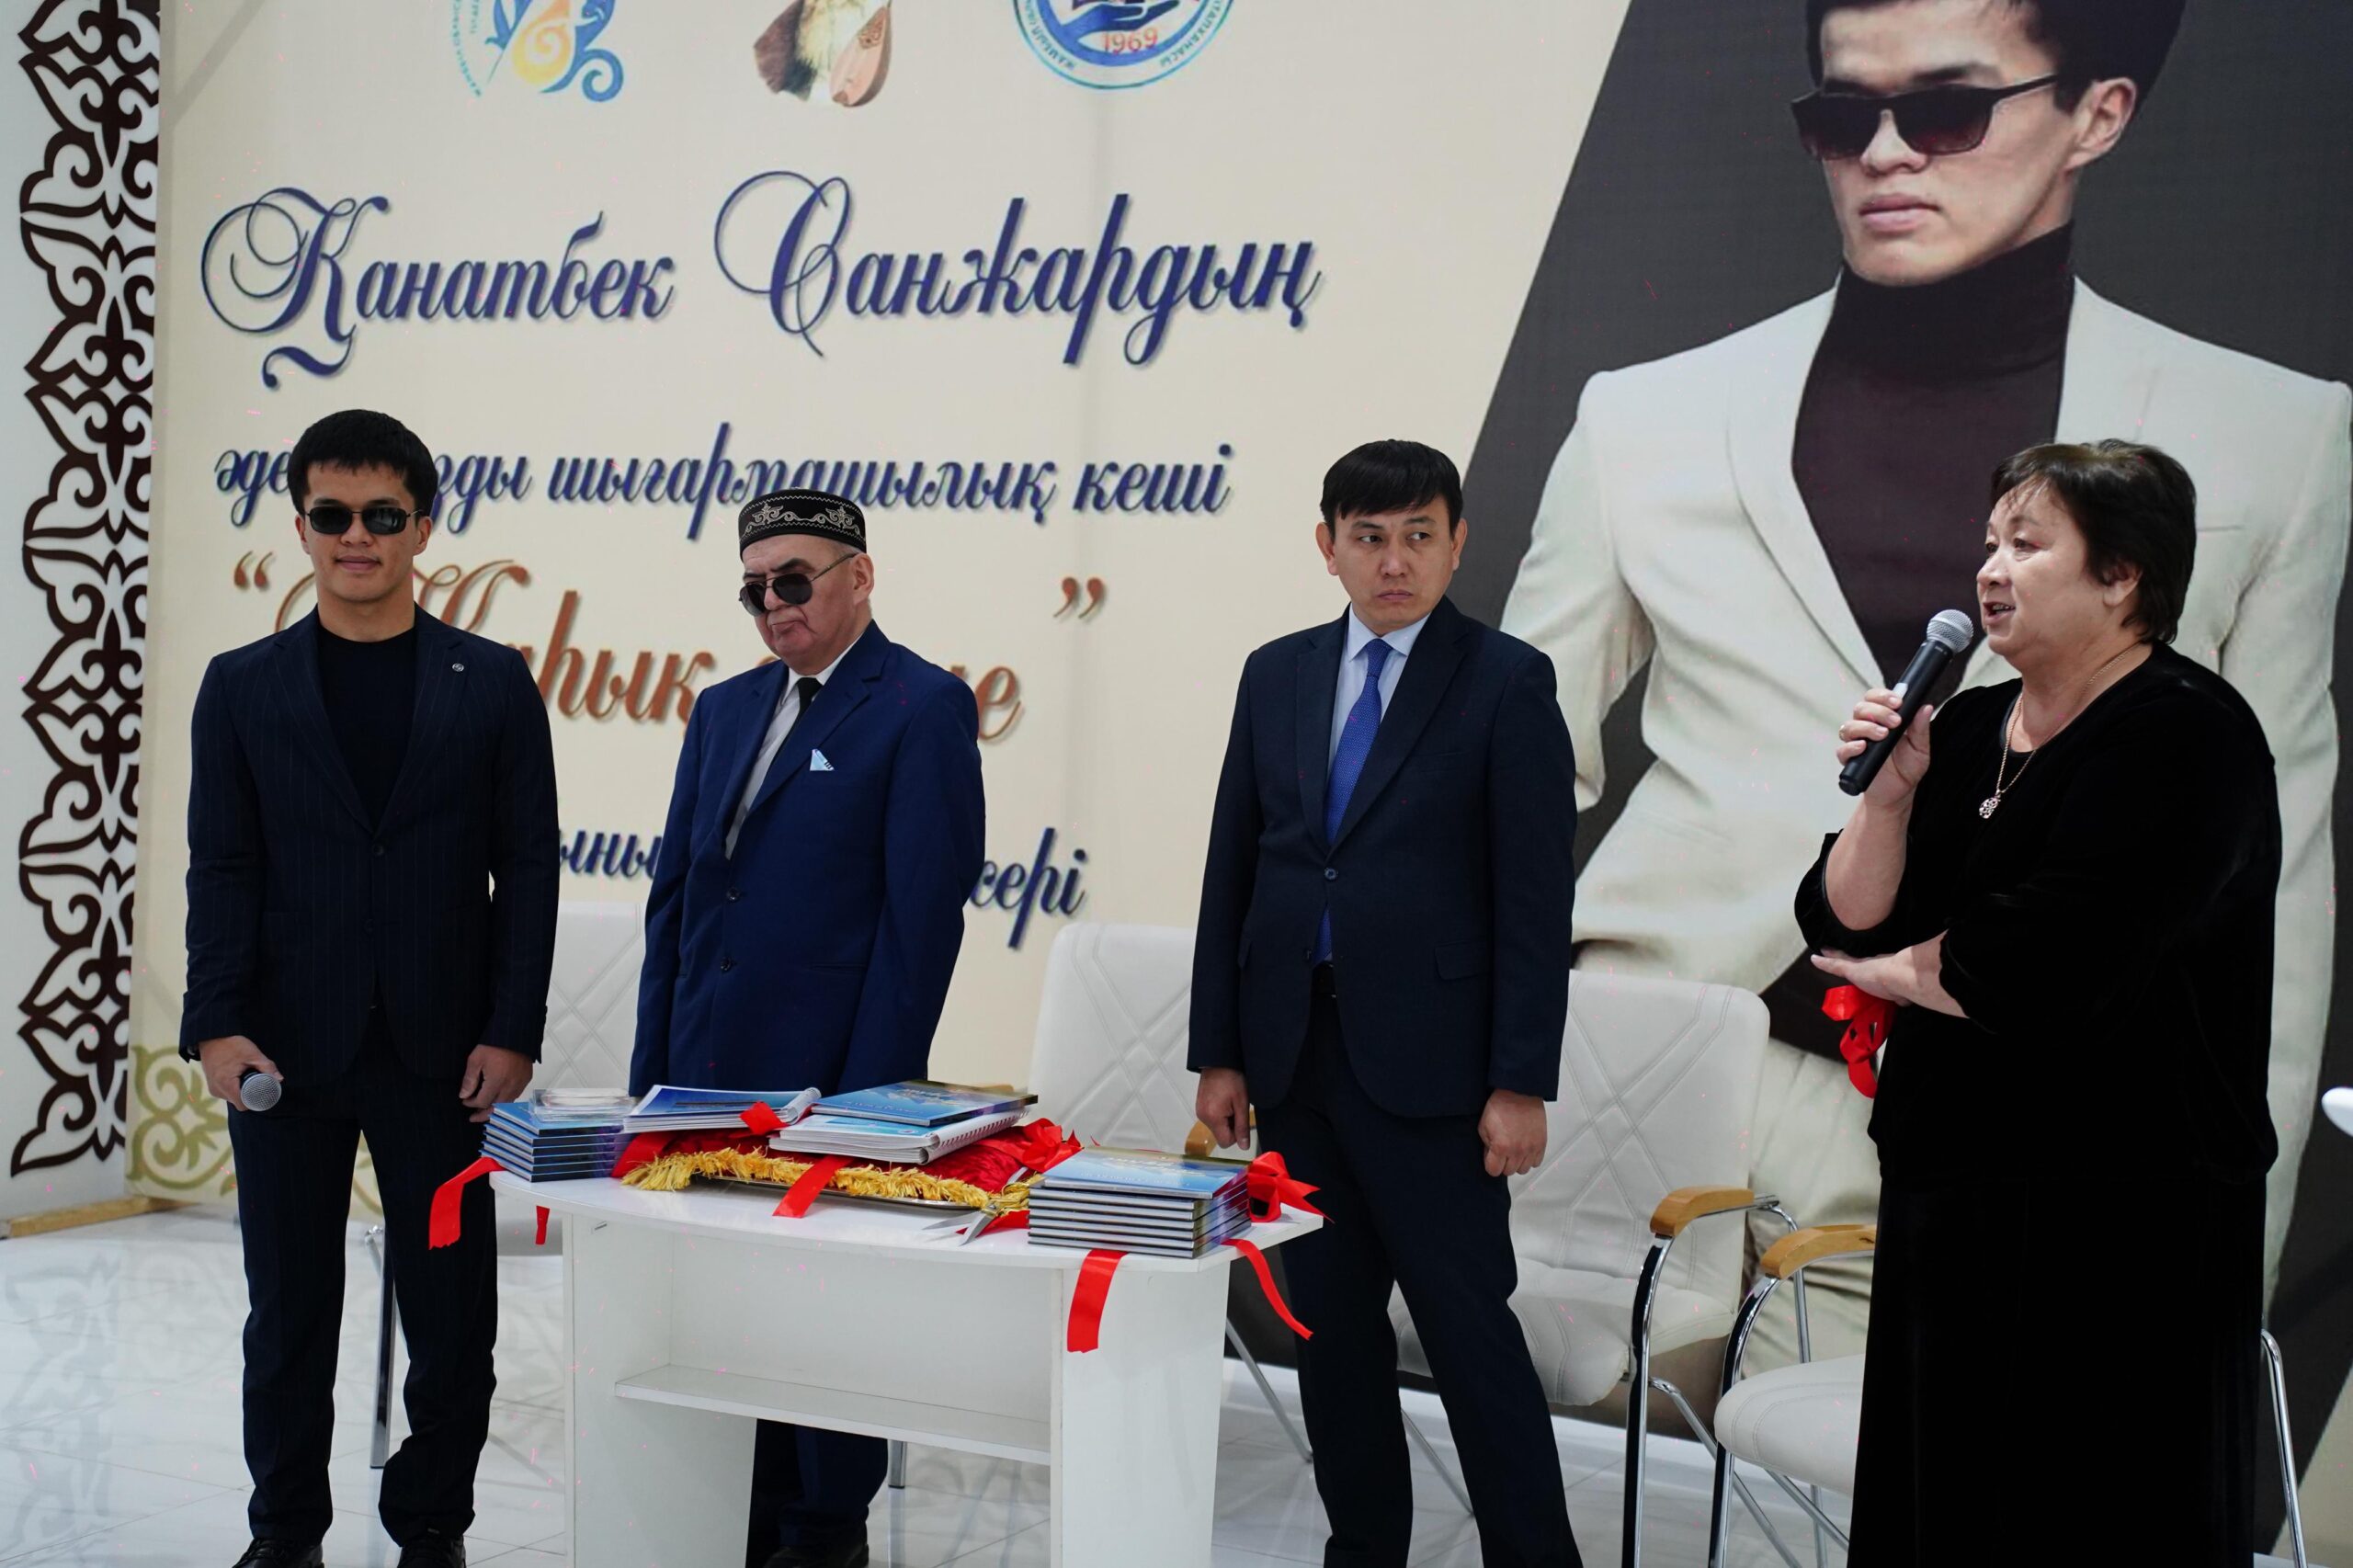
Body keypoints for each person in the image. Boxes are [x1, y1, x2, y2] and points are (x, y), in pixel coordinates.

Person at [1502, 0, 2347, 1363]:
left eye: (1946, 108)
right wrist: (1478, 1056)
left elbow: (2275, 883)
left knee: (1898, 1475)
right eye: (1844, 116)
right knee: (1578, 1477)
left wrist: (2222, 1241)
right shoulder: (1642, 417)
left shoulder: (2273, 437)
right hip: (1642, 1060)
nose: (1886, 153)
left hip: (1990, 1103)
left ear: (2097, 113)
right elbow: (1512, 772)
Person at [1800, 439, 2278, 1562]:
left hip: (2118, 1208)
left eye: (2026, 543)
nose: (1988, 570)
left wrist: (1891, 974)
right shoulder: (1968, 724)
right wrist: (1888, 799)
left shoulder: (2186, 730)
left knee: (2081, 1513)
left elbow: (2039, 960)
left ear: (2120, 574)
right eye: (1988, 543)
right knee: (1940, 1503)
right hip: (1952, 1181)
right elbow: (1840, 918)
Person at [1190, 440, 1580, 1567]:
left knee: (1469, 1340)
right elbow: (1235, 867)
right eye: (1368, 537)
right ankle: (1363, 1550)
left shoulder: (1506, 680)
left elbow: (1533, 900)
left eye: (1418, 535)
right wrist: (1220, 1049)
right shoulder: (1277, 673)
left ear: (1458, 544)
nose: (1394, 561)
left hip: (1437, 1077)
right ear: (1329, 547)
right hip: (1294, 1058)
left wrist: (1519, 1080)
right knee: (1332, 1336)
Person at [183, 409, 561, 1568]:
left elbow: (528, 865)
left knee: (452, 1317)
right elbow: (222, 865)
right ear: (300, 526)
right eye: (334, 514)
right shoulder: (240, 686)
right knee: (288, 1314)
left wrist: (512, 1027)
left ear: (423, 527)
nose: (358, 536)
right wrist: (216, 1022)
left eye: (383, 514)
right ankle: (284, 1530)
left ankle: (431, 1524)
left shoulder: (494, 681)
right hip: (282, 1053)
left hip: (444, 1055)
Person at [631, 487, 985, 1568]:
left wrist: (869, 1102)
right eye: (755, 589)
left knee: (824, 1319)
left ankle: (827, 1530)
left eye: (794, 580)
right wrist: (653, 1072)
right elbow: (678, 897)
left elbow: (919, 922)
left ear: (859, 576)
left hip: (832, 1083)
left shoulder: (919, 704)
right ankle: (734, 1516)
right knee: (720, 1316)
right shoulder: (723, 707)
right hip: (705, 1072)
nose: (775, 604)